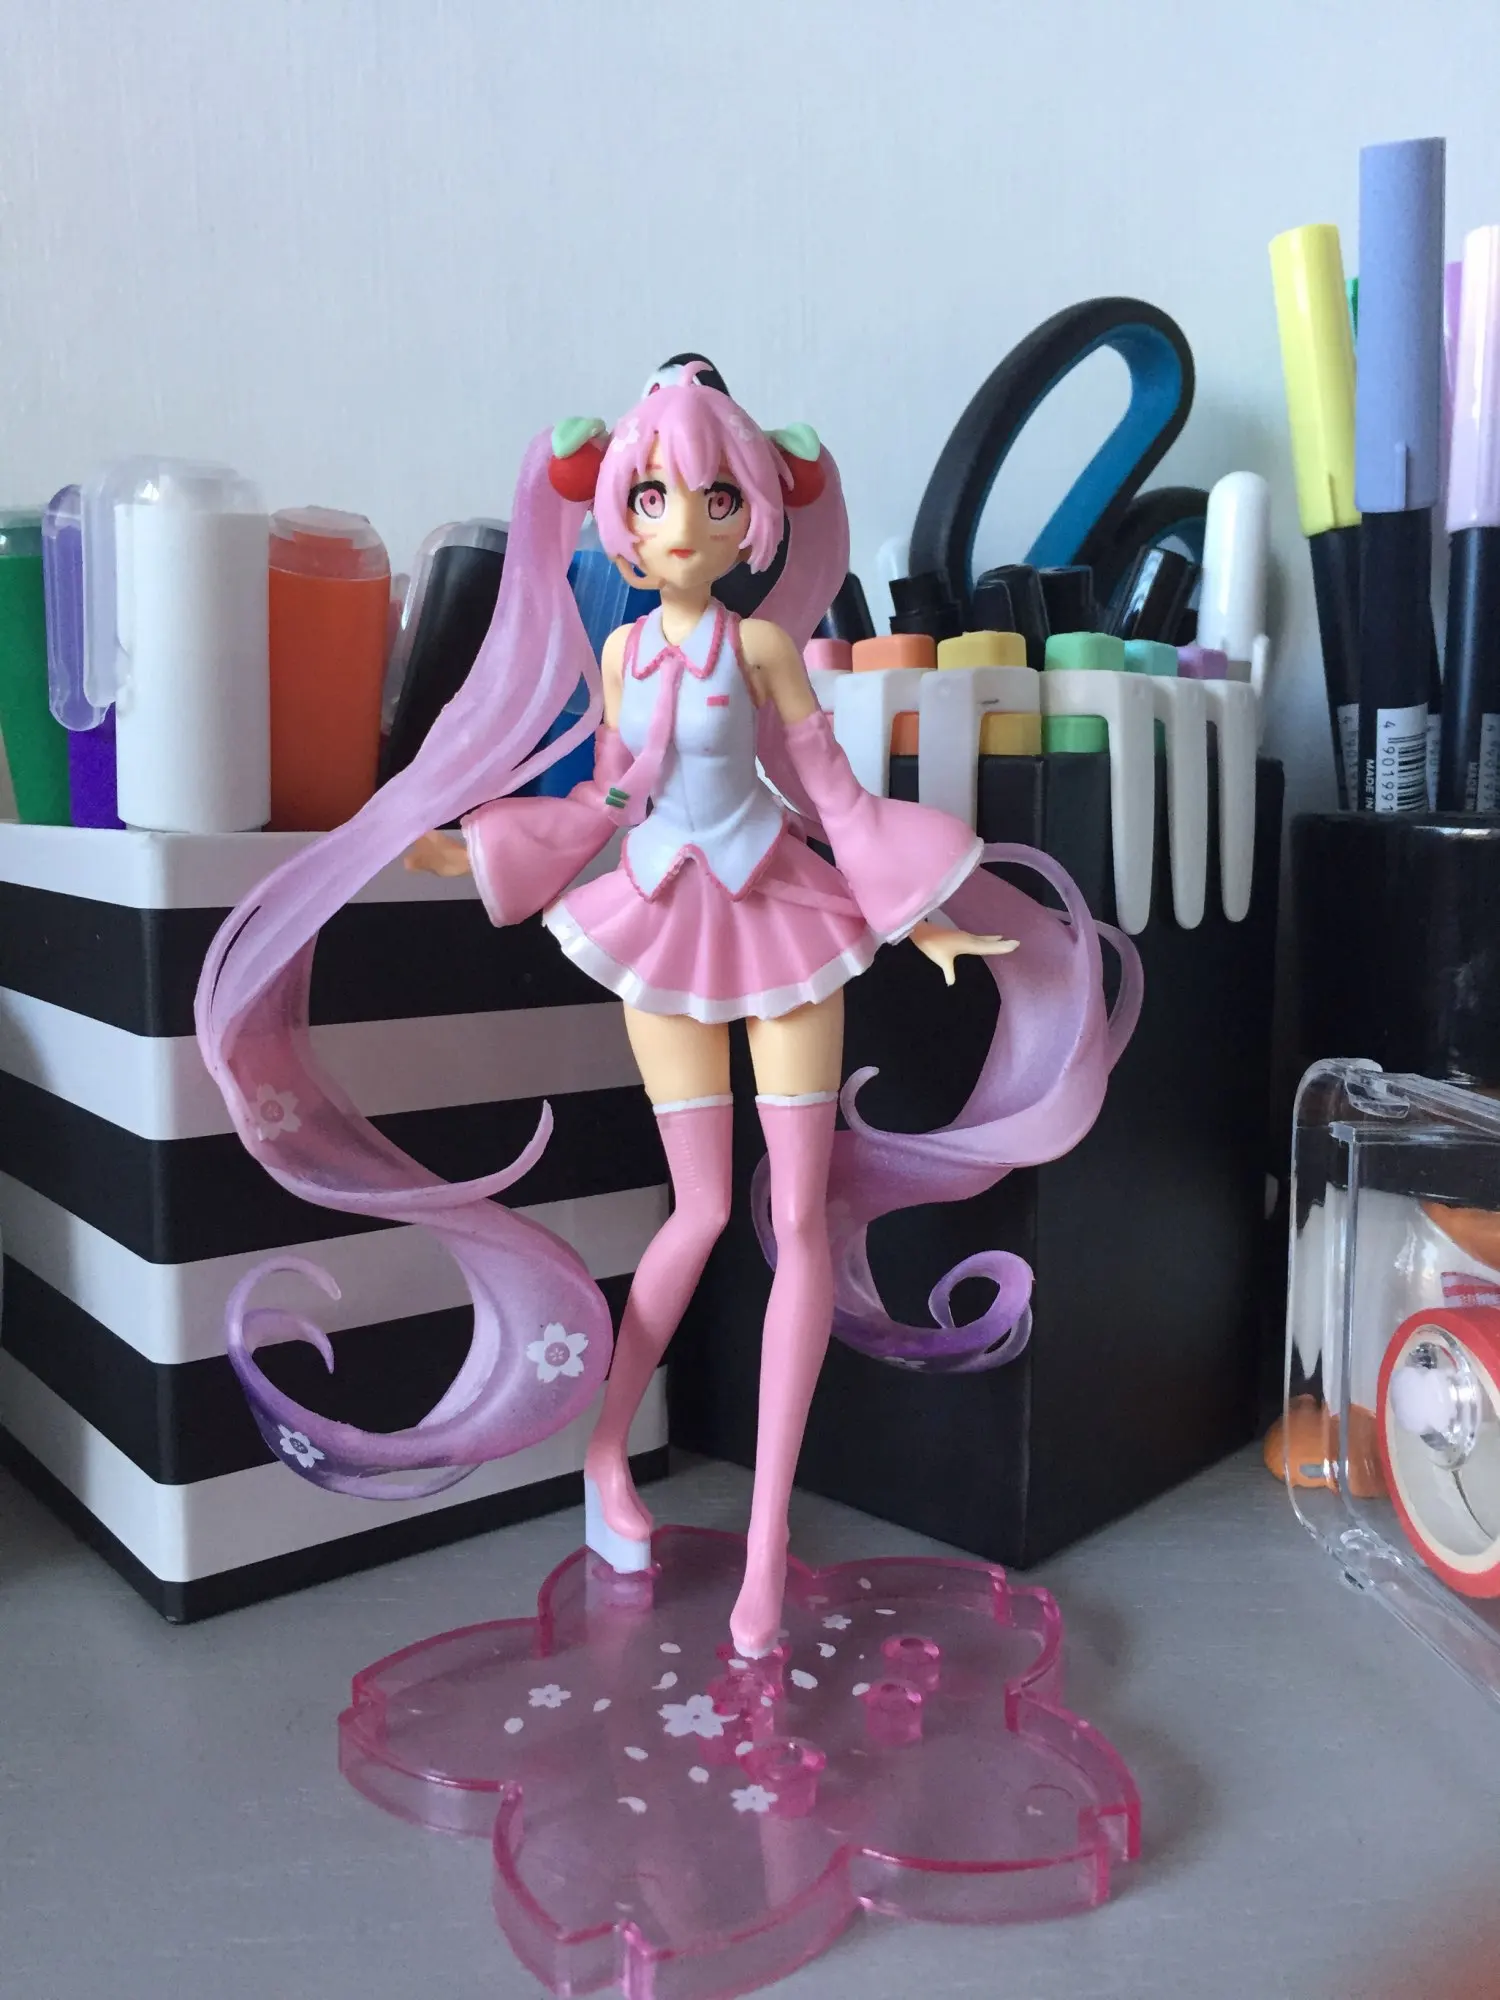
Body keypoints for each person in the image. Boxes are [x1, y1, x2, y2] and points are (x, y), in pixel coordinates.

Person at [196, 360, 1137, 1659]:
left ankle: (766, 1541)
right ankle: (605, 1456)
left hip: (787, 921)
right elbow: (615, 795)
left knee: (796, 1218)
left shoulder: (762, 648)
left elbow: (832, 792)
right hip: (658, 919)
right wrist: (483, 846)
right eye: (653, 498)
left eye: (712, 498)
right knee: (697, 1212)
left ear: (755, 517)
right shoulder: (623, 650)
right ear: (620, 519)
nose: (682, 525)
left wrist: (921, 909)